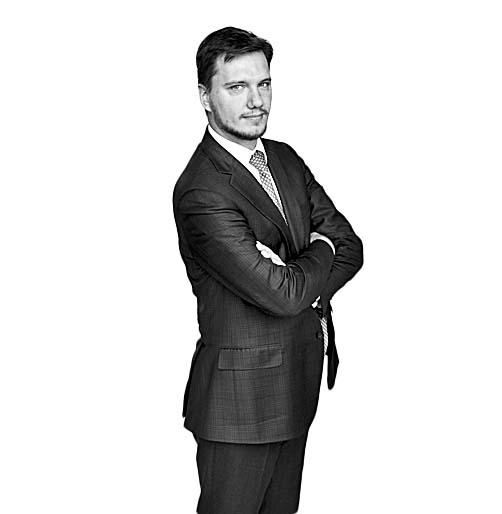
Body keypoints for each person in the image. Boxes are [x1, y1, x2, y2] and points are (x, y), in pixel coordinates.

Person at [173, 26, 363, 514]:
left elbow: (349, 245)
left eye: (264, 84)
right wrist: (316, 254)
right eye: (237, 87)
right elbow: (282, 295)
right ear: (206, 97)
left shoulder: (284, 159)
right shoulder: (202, 191)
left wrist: (301, 271)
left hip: (296, 386)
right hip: (239, 407)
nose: (256, 100)